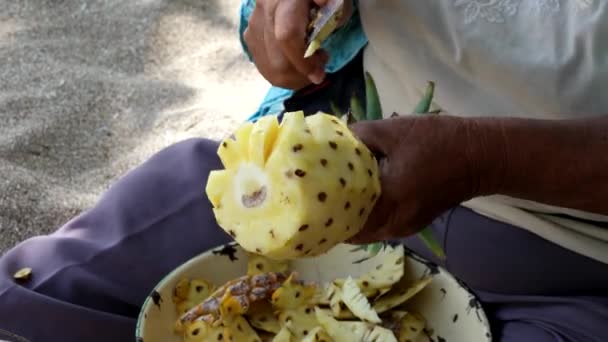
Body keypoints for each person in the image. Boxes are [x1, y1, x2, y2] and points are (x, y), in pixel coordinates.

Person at [1, 0, 607, 341]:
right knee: (30, 297)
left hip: (566, 264)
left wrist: (481, 158)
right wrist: (276, 19)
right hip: (330, 158)